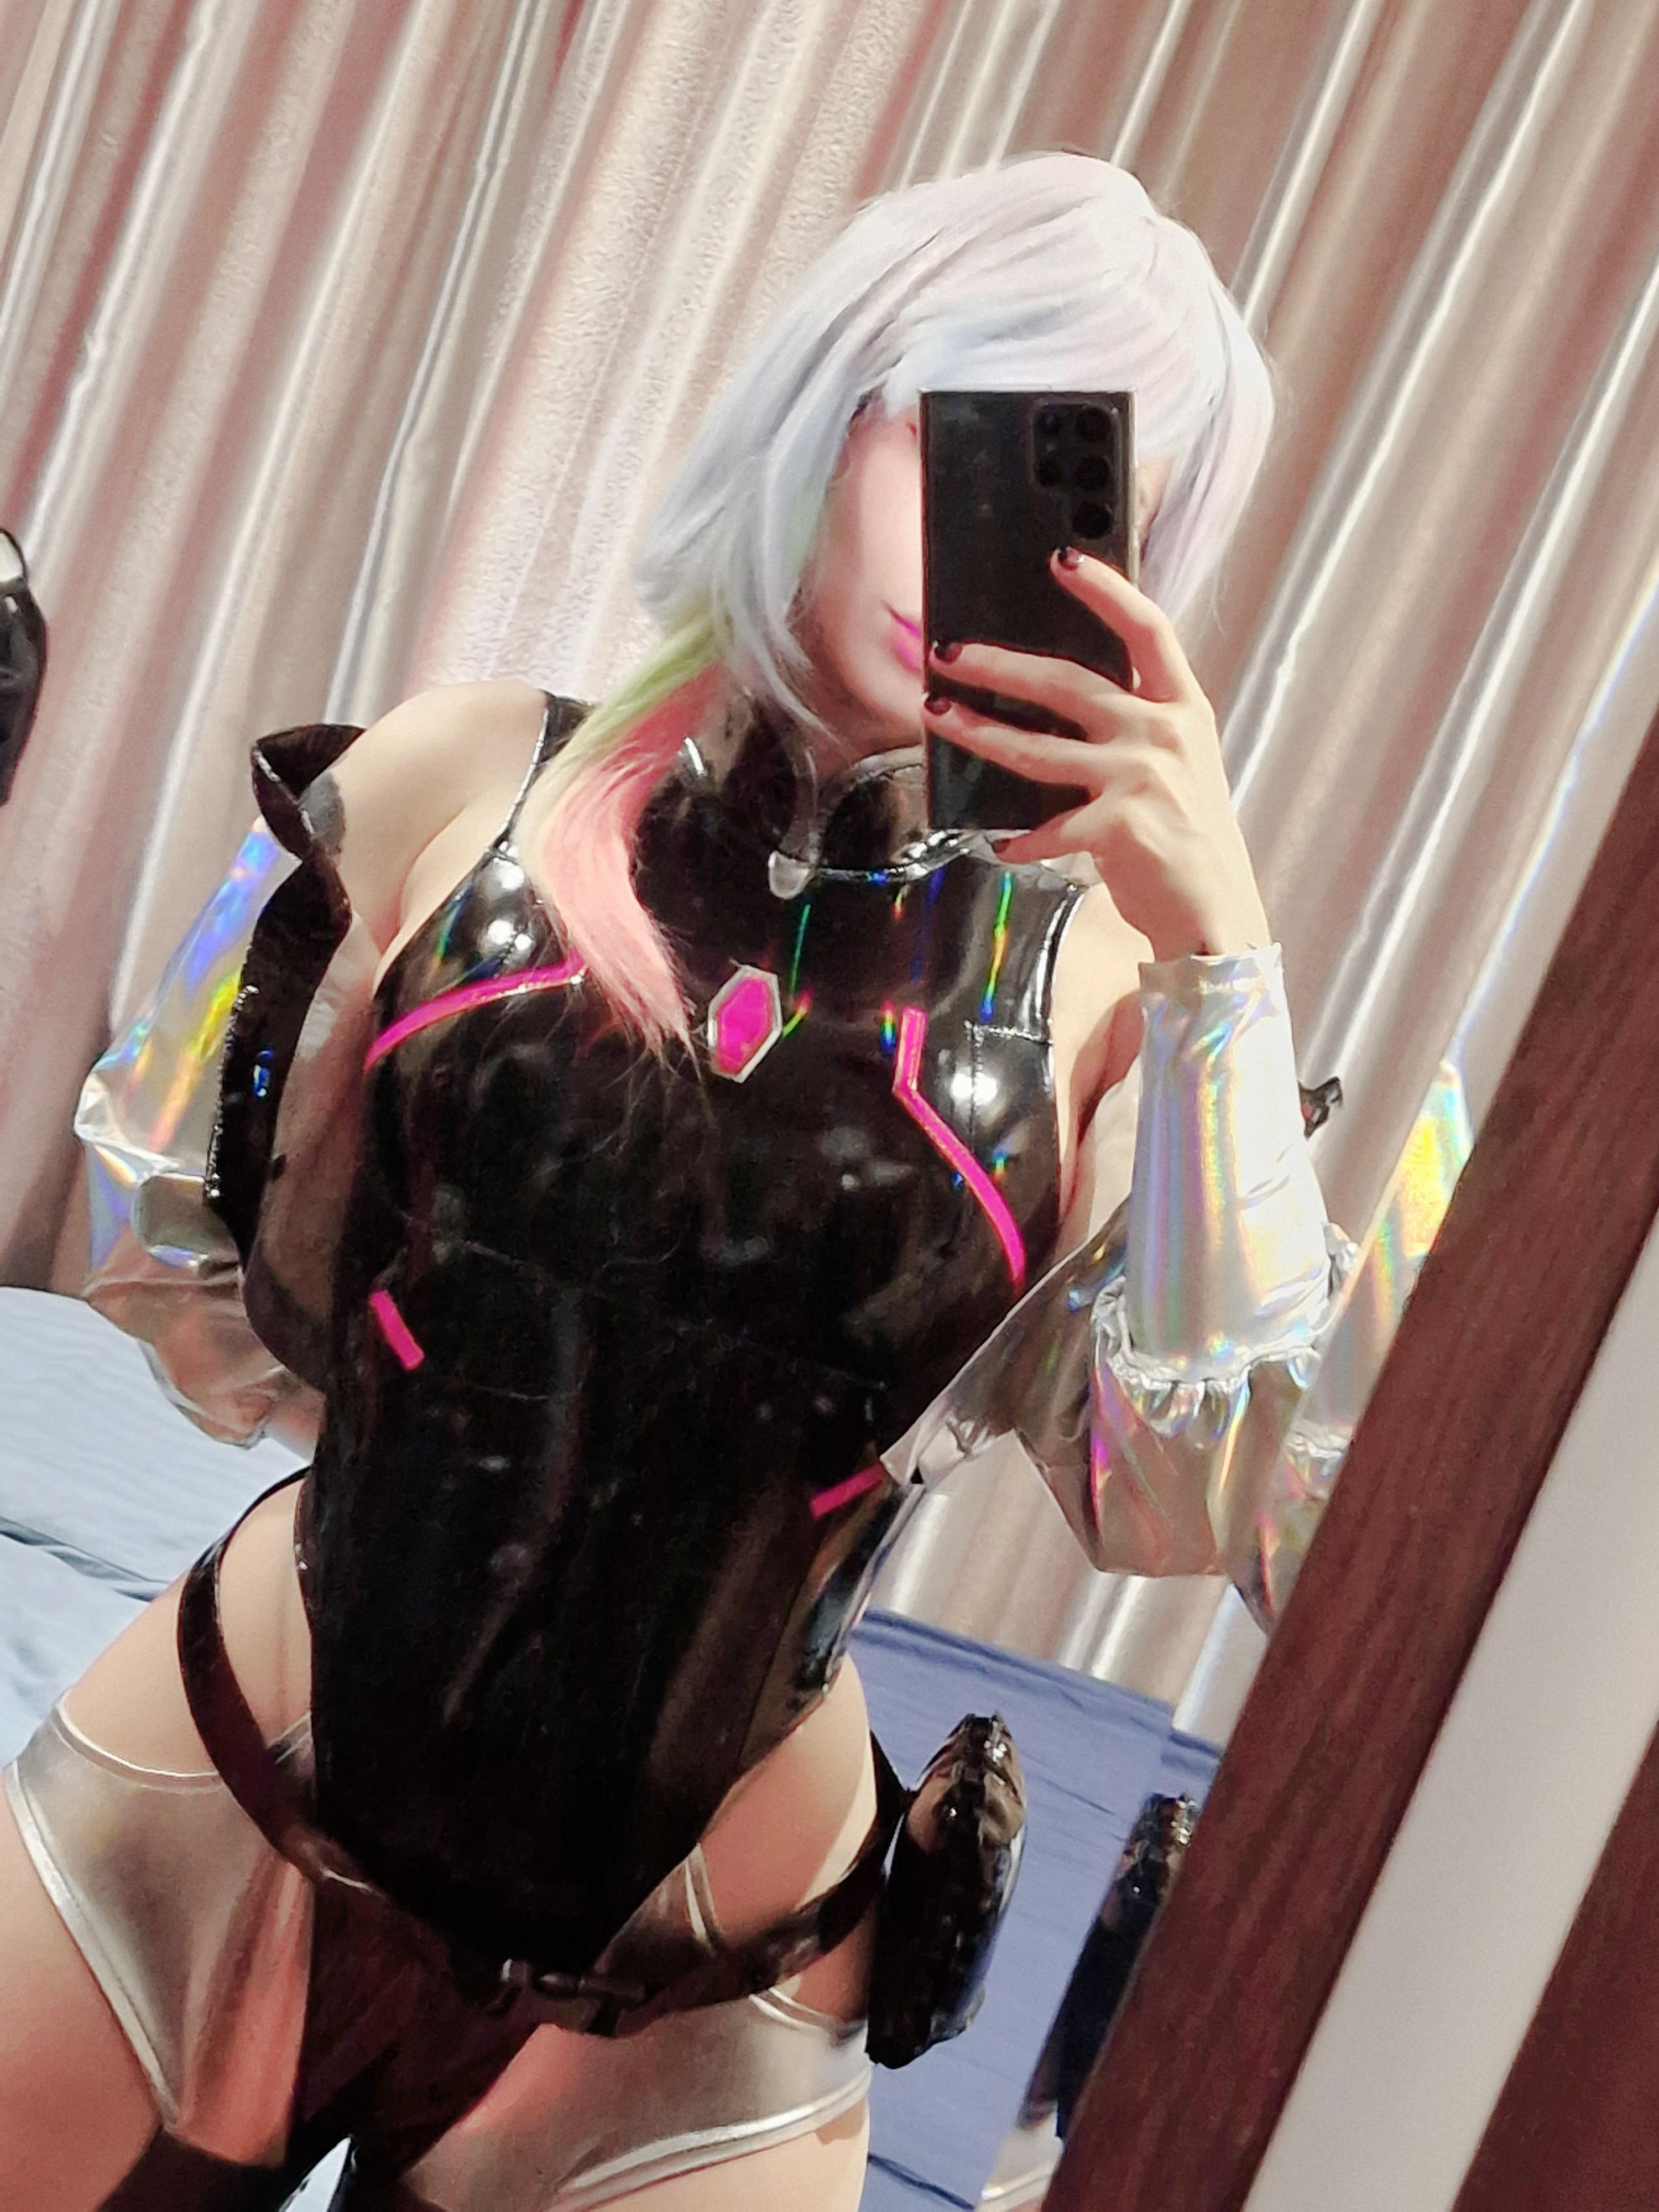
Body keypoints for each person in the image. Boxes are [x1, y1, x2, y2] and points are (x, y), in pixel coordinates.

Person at [0, 154, 1345, 2210]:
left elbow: (1228, 1505)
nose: (968, 548)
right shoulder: (460, 775)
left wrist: (1224, 964)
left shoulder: (1112, 1010)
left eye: (1071, 509)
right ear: (830, 394)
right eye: (943, 434)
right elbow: (167, 1240)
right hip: (227, 1799)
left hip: (710, 1995)